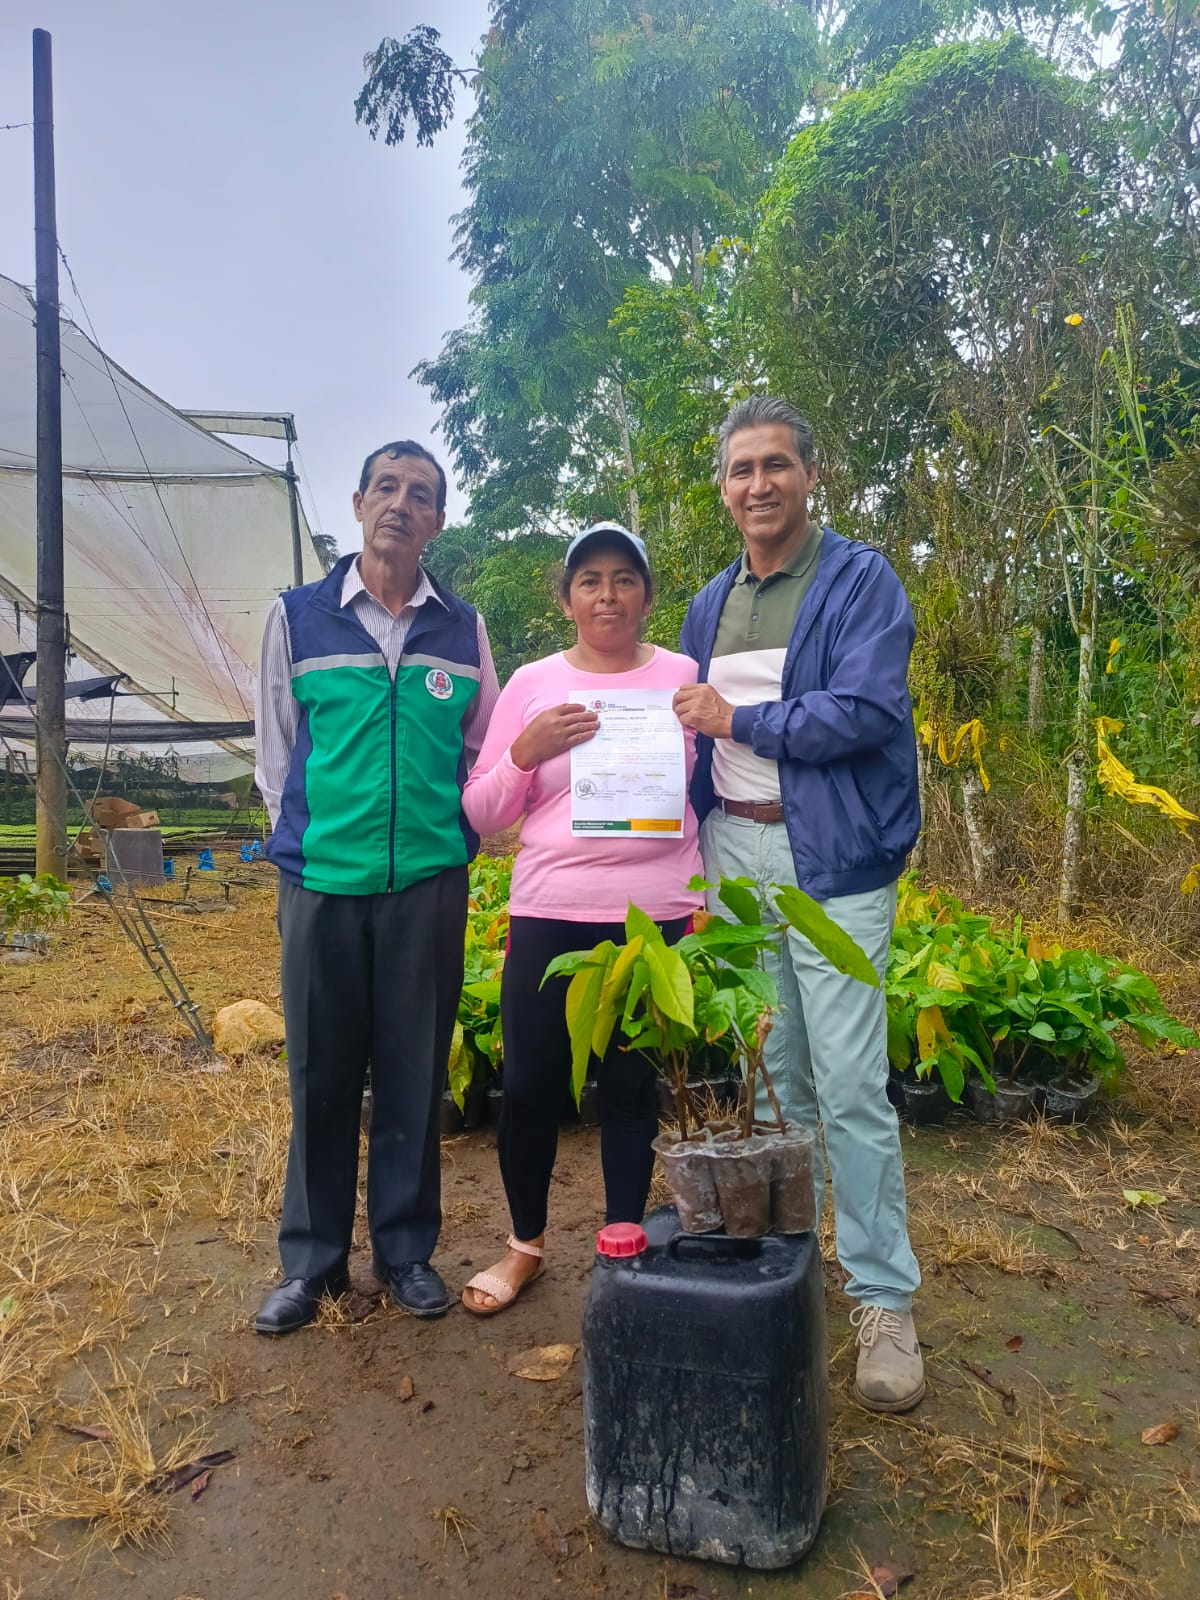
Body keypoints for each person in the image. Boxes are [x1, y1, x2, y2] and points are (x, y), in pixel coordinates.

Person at [673, 397, 924, 1412]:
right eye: (742, 469)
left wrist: (739, 718)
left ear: (812, 475)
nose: (759, 484)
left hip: (832, 860)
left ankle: (883, 1299)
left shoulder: (859, 581)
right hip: (734, 851)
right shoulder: (709, 603)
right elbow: (686, 733)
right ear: (723, 487)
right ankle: (794, 1270)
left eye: (776, 463)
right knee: (774, 1079)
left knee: (852, 1083)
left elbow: (864, 710)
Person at [253, 440, 499, 1334]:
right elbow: (276, 754)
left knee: (413, 1071)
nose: (401, 503)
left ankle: (404, 1252)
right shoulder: (298, 617)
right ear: (358, 503)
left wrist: (451, 839)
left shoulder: (462, 629)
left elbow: (483, 751)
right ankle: (313, 1263)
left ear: (439, 520)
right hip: (322, 884)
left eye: (419, 493)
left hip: (426, 886)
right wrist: (314, 843)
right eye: (386, 487)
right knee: (320, 1073)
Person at [458, 523, 704, 1314]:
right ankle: (525, 1247)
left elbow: (708, 794)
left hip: (653, 919)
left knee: (631, 1085)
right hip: (550, 909)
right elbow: (483, 811)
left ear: (647, 596)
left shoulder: (683, 677)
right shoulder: (534, 684)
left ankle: (622, 1241)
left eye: (624, 578)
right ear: (566, 599)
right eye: (590, 580)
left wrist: (704, 897)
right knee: (531, 1085)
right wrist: (523, 753)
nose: (608, 595)